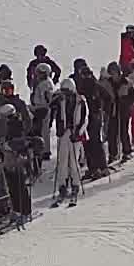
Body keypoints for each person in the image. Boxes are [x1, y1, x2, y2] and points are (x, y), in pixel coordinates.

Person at [52, 77, 87, 205]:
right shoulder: (61, 101)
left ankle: (75, 183)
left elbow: (84, 119)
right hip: (65, 134)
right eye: (63, 92)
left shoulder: (80, 101)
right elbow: (58, 117)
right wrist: (60, 129)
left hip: (75, 134)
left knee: (73, 161)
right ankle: (62, 185)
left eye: (67, 92)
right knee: (62, 160)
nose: (65, 94)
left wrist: (78, 133)